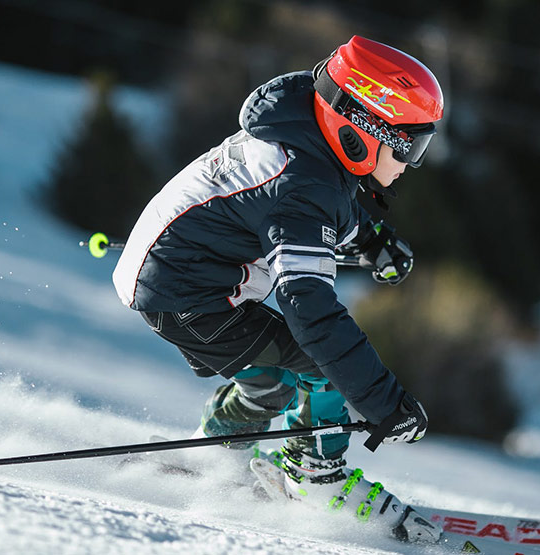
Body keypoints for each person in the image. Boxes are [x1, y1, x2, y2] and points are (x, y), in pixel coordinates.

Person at [113, 35, 443, 542]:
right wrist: (384, 403)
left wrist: (372, 240)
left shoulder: (303, 139)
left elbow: (327, 203)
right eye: (410, 145)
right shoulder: (301, 187)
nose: (410, 164)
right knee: (323, 368)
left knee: (273, 380)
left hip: (177, 278)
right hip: (188, 295)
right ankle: (315, 476)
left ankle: (212, 453)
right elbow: (309, 309)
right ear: (364, 129)